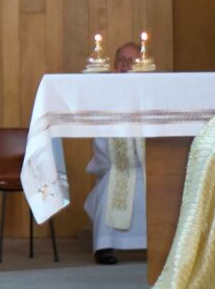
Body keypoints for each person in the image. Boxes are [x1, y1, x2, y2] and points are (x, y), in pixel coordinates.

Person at [84, 42, 146, 265]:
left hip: (150, 165)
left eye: (133, 61)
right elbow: (99, 138)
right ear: (114, 64)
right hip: (117, 163)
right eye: (122, 60)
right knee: (116, 178)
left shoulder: (154, 90)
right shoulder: (104, 92)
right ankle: (105, 245)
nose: (126, 66)